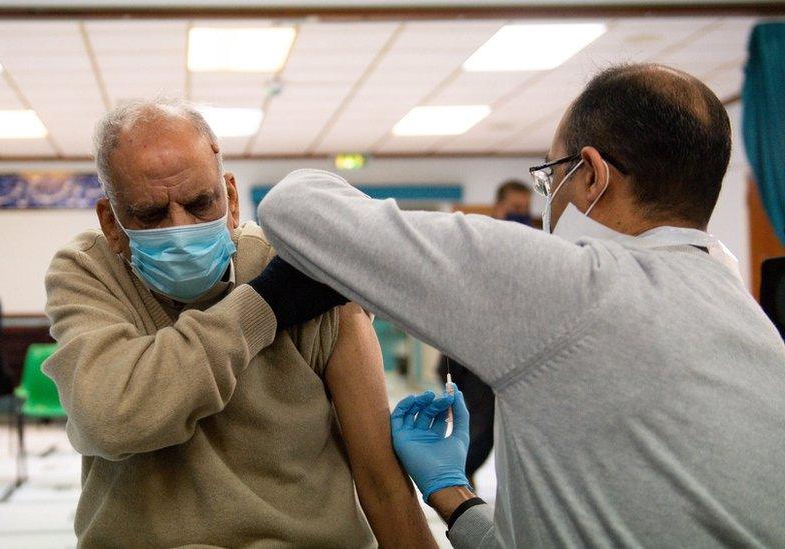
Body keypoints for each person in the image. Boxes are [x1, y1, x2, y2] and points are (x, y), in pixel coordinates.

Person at [256, 64, 785, 546]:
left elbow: (295, 207)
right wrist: (454, 497)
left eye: (552, 175)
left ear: (593, 175)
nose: (547, 196)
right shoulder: (746, 310)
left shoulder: (575, 286)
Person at [42, 99, 434, 547]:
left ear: (230, 198)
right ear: (111, 223)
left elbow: (382, 480)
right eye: (150, 215)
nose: (181, 228)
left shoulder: (302, 269)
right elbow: (110, 419)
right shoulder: (89, 272)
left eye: (199, 203)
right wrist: (263, 306)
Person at [438, 178, 535, 488]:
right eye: (515, 208)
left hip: (511, 360)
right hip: (473, 359)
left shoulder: (530, 251)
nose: (521, 213)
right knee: (474, 435)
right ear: (499, 208)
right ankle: (460, 495)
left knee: (497, 440)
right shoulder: (477, 244)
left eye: (525, 209)